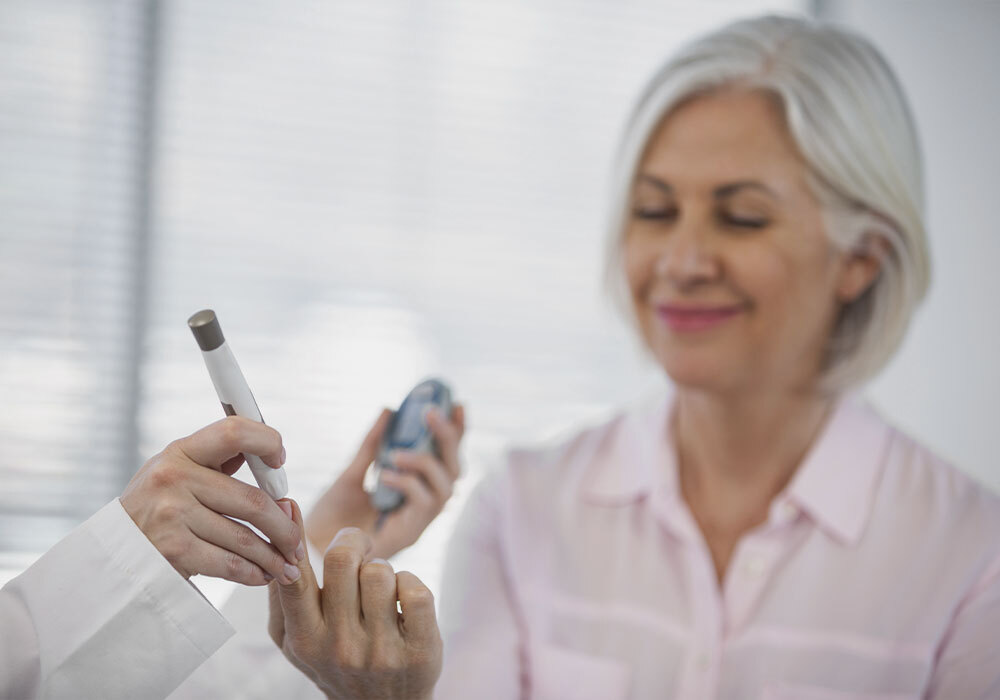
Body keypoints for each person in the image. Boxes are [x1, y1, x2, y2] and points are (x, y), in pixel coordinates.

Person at [267, 14, 1000, 699]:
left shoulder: (974, 559)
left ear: (863, 257)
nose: (680, 261)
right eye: (654, 211)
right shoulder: (520, 509)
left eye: (742, 218)